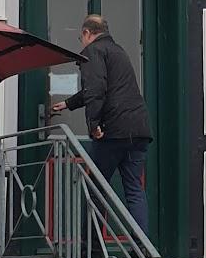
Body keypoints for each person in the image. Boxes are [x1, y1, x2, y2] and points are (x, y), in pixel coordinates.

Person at [51, 13, 151, 233]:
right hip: (138, 128)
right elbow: (105, 88)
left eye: (81, 38)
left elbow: (96, 89)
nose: (82, 43)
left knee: (95, 187)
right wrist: (68, 103)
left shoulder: (93, 51)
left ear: (87, 33)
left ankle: (93, 249)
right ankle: (141, 248)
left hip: (114, 131)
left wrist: (93, 124)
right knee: (134, 189)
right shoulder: (118, 51)